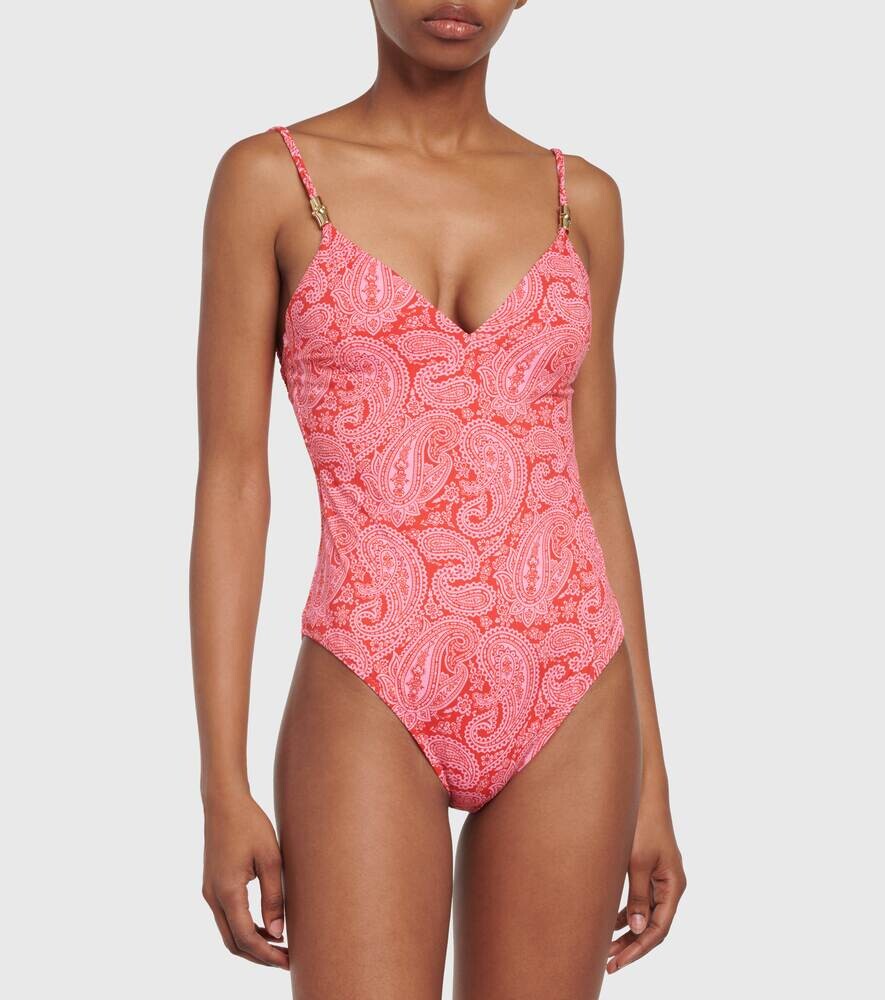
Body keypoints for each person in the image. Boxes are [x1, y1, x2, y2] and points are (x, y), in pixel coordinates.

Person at [190, 2, 686, 996]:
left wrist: (654, 784)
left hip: (574, 685)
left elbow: (595, 478)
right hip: (368, 672)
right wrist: (221, 783)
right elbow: (233, 481)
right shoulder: (270, 180)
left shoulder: (582, 199)